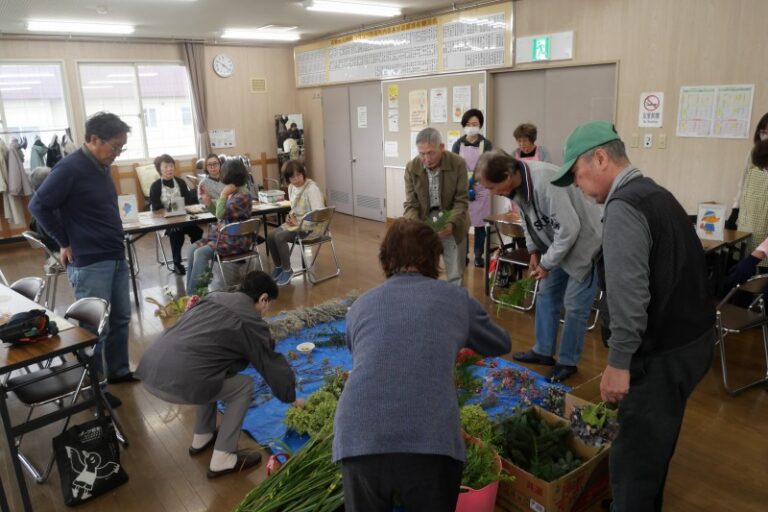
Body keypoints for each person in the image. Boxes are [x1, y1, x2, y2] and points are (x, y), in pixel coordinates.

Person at [550, 121, 714, 511]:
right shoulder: (656, 194)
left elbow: (630, 295)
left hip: (660, 353)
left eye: (576, 173)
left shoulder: (623, 207)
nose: (577, 185)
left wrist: (619, 362)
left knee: (634, 458)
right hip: (693, 341)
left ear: (601, 158)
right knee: (656, 443)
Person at [332, 218, 510, 512]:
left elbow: (365, 355)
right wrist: (460, 335)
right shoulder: (455, 299)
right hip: (430, 440)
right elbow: (500, 343)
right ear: (435, 259)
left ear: (385, 259)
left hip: (359, 435)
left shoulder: (361, 305)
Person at [136, 271, 300, 478]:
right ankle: (223, 457)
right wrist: (291, 396)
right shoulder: (249, 319)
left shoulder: (215, 297)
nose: (267, 311)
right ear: (263, 298)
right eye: (268, 305)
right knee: (243, 385)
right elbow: (269, 361)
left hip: (152, 366)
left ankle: (202, 435)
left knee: (212, 368)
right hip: (179, 381)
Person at [29, 112, 137, 387]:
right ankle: (93, 386)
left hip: (114, 254)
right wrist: (64, 241)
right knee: (94, 327)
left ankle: (117, 371)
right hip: (89, 261)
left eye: (122, 148)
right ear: (93, 139)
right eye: (115, 147)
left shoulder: (102, 165)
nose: (117, 153)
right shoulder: (69, 168)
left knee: (121, 318)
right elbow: (38, 206)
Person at [475, 149, 602, 382]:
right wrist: (534, 250)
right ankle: (544, 351)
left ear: (506, 174)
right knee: (546, 294)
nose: (494, 193)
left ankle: (567, 362)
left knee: (574, 307)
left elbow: (570, 229)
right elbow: (527, 219)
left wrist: (546, 262)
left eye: (493, 187)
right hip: (556, 246)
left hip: (586, 246)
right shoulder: (516, 185)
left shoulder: (546, 182)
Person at [404, 127, 469, 286]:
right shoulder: (412, 167)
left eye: (430, 152)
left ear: (442, 147)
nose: (426, 158)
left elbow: (461, 200)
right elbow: (411, 204)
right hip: (423, 221)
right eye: (422, 153)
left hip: (452, 219)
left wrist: (451, 223)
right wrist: (418, 228)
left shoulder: (458, 163)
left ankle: (456, 305)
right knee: (423, 271)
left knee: (455, 274)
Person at [186, 158, 253, 294]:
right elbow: (220, 213)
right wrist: (209, 203)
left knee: (201, 252)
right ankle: (190, 294)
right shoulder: (234, 193)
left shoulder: (242, 196)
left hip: (236, 241)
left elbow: (221, 214)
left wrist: (222, 194)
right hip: (225, 237)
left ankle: (195, 296)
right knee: (192, 249)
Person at [265, 160, 325, 286]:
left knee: (279, 236)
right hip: (297, 225)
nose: (296, 179)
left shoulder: (312, 189)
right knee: (270, 236)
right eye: (292, 177)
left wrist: (299, 221)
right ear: (288, 179)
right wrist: (290, 216)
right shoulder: (291, 187)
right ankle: (279, 266)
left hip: (311, 228)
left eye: (298, 175)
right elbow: (295, 208)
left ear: (303, 173)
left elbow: (318, 215)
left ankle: (288, 270)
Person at [451, 108, 494, 267]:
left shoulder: (486, 144)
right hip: (462, 187)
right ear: (464, 125)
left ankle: (478, 255)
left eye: (475, 123)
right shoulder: (458, 144)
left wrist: (476, 178)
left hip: (481, 187)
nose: (471, 126)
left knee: (480, 224)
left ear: (480, 125)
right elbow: (453, 165)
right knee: (463, 223)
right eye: (468, 124)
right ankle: (463, 254)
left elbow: (490, 164)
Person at [149, 154, 203, 275]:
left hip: (183, 218)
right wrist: (172, 209)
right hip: (164, 221)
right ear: (159, 169)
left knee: (197, 232)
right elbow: (156, 208)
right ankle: (177, 263)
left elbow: (188, 201)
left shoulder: (181, 182)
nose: (169, 169)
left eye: (171, 166)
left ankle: (197, 257)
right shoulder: (156, 186)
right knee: (176, 232)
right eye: (166, 166)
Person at [729, 120, 768, 267]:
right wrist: (735, 208)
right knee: (745, 252)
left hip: (765, 214)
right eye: (763, 132)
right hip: (749, 211)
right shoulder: (755, 152)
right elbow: (743, 181)